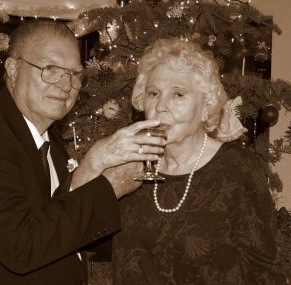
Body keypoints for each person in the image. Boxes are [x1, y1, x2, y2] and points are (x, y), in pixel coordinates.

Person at [0, 20, 166, 285]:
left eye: (75, 74)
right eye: (51, 69)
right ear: (13, 69)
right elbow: (23, 246)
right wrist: (112, 185)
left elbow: (59, 223)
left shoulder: (48, 138)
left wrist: (93, 164)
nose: (66, 85)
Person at [112, 38, 286, 284]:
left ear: (206, 107)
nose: (161, 106)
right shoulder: (127, 167)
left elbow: (264, 272)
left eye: (178, 94)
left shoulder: (239, 169)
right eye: (154, 93)